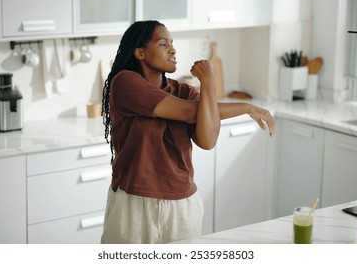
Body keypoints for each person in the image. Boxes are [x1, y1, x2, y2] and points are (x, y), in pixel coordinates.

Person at [100, 20, 275, 244]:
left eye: (172, 44)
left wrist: (209, 84)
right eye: (163, 44)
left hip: (182, 206)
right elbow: (188, 112)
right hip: (135, 203)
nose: (173, 49)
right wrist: (245, 106)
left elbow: (208, 139)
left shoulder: (184, 91)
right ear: (140, 52)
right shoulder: (124, 82)